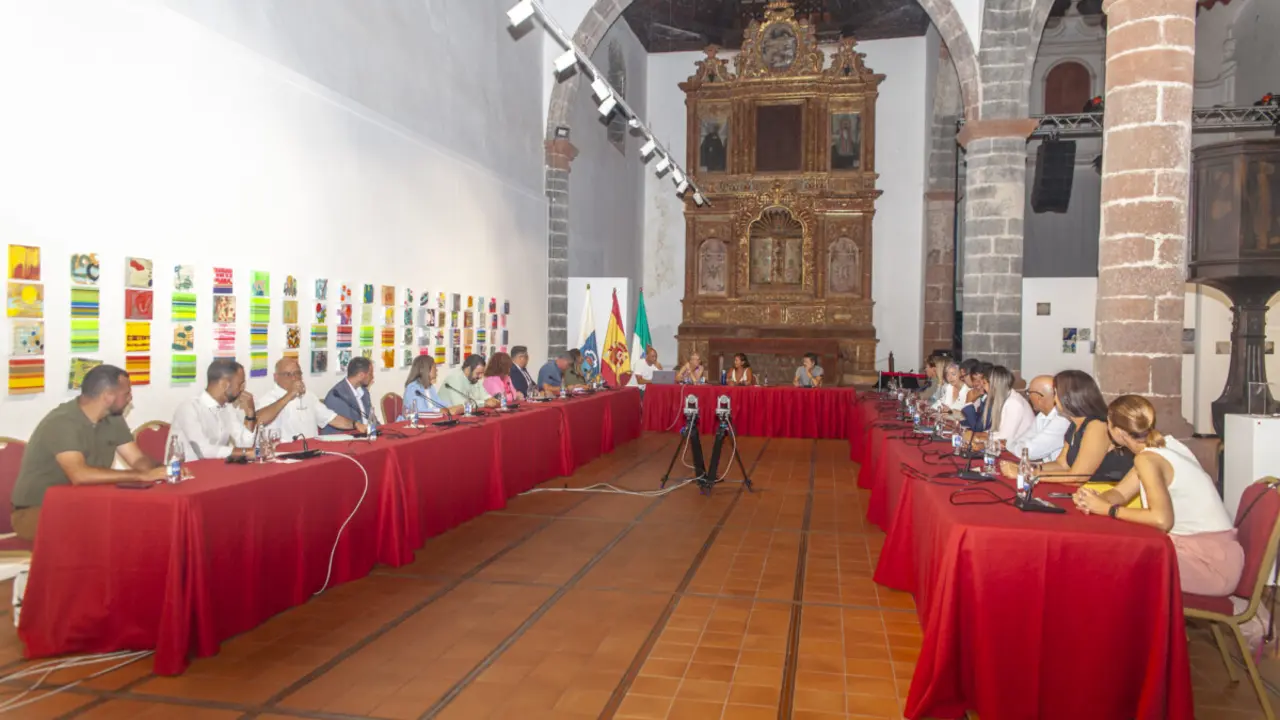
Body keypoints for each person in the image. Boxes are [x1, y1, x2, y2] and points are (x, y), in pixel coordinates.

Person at [1072, 395, 1243, 596]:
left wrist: (1109, 510)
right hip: (1215, 554)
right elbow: (1120, 492)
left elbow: (1162, 520)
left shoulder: (1148, 459)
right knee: (1113, 555)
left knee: (1108, 564)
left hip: (1208, 564)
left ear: (1117, 431)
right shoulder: (1164, 446)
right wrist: (1093, 500)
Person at [11, 365, 165, 541]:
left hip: (86, 503)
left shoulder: (113, 418)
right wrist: (140, 476)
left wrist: (161, 471)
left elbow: (137, 459)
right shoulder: (62, 422)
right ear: (107, 397)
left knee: (140, 520)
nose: (130, 399)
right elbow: (80, 474)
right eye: (126, 394)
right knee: (107, 531)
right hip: (38, 510)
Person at [1033, 370, 1135, 483]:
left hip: (1109, 492)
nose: (1054, 399)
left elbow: (1078, 477)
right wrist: (1030, 469)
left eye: (1055, 393)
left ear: (1068, 397)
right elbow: (1062, 465)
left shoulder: (1097, 426)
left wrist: (1032, 476)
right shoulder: (1074, 424)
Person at [170, 359, 258, 458]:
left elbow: (245, 445)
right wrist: (246, 452)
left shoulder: (227, 408)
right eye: (240, 384)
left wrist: (250, 414)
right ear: (224, 384)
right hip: (186, 470)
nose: (242, 389)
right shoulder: (189, 408)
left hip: (216, 468)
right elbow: (202, 450)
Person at [257, 357, 364, 440]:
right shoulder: (268, 398)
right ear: (276, 377)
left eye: (297, 373)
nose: (294, 378)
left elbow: (332, 418)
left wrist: (355, 424)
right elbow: (258, 420)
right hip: (284, 454)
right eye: (288, 374)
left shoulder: (309, 396)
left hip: (311, 452)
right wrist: (289, 395)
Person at [1004, 375, 1071, 463]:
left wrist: (1010, 445)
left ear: (1038, 398)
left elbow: (1030, 452)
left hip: (1055, 473)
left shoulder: (1062, 420)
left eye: (1029, 392)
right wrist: (1017, 446)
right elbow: (1022, 439)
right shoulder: (1042, 415)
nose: (1028, 397)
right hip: (1044, 467)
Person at [977, 365, 1034, 446]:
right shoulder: (1005, 398)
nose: (983, 387)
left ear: (994, 385)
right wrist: (979, 435)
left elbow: (1005, 438)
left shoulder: (1013, 403)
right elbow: (997, 431)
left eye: (984, 383)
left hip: (1020, 452)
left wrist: (978, 436)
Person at [322, 356, 378, 434]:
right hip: (343, 441)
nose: (372, 377)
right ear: (361, 375)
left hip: (365, 437)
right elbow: (345, 427)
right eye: (370, 374)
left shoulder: (364, 392)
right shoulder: (337, 395)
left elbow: (371, 420)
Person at [959, 362, 992, 430]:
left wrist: (968, 402)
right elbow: (971, 422)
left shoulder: (991, 399)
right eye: (974, 380)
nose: (977, 383)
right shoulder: (983, 397)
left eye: (981, 380)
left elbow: (977, 428)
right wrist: (957, 421)